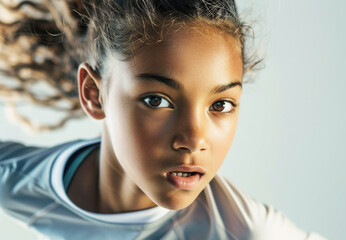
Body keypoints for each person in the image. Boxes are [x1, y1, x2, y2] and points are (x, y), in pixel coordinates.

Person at [0, 0, 326, 239]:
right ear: (94, 94)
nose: (194, 139)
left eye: (221, 104)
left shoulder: (243, 230)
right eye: (157, 100)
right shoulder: (17, 180)